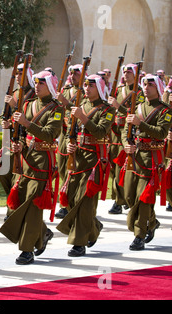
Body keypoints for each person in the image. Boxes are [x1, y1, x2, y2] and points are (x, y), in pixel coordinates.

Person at [0, 70, 63, 264]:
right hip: (25, 159)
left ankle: (27, 250)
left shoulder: (56, 109)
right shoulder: (27, 104)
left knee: (33, 205)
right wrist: (18, 144)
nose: (37, 85)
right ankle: (41, 234)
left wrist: (26, 123)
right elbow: (20, 132)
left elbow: (50, 134)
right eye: (35, 82)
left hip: (42, 161)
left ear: (50, 86)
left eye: (41, 83)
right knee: (20, 202)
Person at [57, 74, 115, 257]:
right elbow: (69, 132)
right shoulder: (80, 107)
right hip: (77, 158)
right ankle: (94, 226)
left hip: (94, 160)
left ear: (99, 88)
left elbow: (100, 132)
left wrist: (82, 117)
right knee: (73, 199)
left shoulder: (107, 109)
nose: (87, 89)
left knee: (84, 201)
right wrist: (69, 144)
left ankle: (78, 243)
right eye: (86, 86)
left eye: (91, 86)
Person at [122, 74, 171, 250]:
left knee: (144, 198)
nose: (146, 87)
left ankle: (139, 235)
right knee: (128, 195)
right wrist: (126, 144)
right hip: (134, 157)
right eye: (144, 84)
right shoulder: (137, 107)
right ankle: (152, 221)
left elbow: (160, 133)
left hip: (152, 159)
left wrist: (140, 124)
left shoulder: (165, 110)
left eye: (150, 84)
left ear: (157, 88)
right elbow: (125, 130)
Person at [0, 63, 36, 220]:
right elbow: (3, 115)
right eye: (17, 74)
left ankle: (11, 211)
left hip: (23, 142)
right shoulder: (14, 93)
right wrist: (3, 122)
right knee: (2, 172)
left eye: (21, 74)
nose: (18, 77)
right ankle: (12, 202)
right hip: (10, 140)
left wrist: (14, 105)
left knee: (16, 177)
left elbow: (28, 116)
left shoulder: (33, 95)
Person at [108, 64, 145, 214]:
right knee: (113, 167)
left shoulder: (140, 92)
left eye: (129, 72)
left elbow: (136, 112)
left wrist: (119, 107)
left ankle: (120, 200)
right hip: (115, 132)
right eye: (124, 72)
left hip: (127, 132)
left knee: (122, 168)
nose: (125, 74)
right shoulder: (118, 90)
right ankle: (120, 196)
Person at [55, 64, 84, 219]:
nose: (72, 76)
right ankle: (65, 200)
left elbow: (83, 111)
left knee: (71, 169)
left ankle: (66, 204)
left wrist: (66, 102)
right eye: (71, 74)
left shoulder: (86, 92)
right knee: (61, 168)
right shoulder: (65, 90)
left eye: (76, 74)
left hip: (76, 134)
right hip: (64, 132)